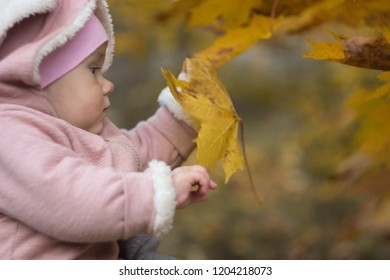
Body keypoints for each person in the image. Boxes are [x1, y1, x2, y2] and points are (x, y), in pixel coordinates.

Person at [0, 0, 217, 259]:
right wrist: (156, 192)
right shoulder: (11, 137)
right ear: (36, 78)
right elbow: (72, 200)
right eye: (93, 70)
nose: (108, 85)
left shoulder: (85, 132)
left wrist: (182, 117)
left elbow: (137, 153)